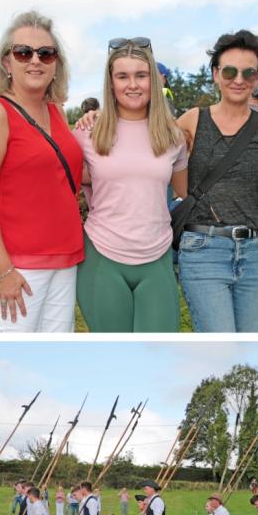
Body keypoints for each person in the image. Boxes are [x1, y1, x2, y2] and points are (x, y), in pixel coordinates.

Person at [0, 11, 83, 332]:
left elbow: (68, 177)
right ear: (7, 62)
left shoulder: (56, 111)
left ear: (56, 63)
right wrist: (3, 270)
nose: (36, 61)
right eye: (23, 53)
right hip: (17, 263)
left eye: (46, 53)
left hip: (65, 258)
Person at [174, 30, 258, 332]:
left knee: (248, 343)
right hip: (203, 249)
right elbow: (173, 180)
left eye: (249, 72)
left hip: (256, 253)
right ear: (215, 73)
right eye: (229, 71)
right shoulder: (192, 120)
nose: (239, 79)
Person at [71, 39, 186, 332]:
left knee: (159, 351)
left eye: (141, 75)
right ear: (110, 83)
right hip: (102, 255)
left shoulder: (173, 135)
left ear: (154, 80)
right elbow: (66, 183)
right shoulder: (87, 132)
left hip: (157, 255)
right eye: (123, 76)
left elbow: (184, 192)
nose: (132, 85)